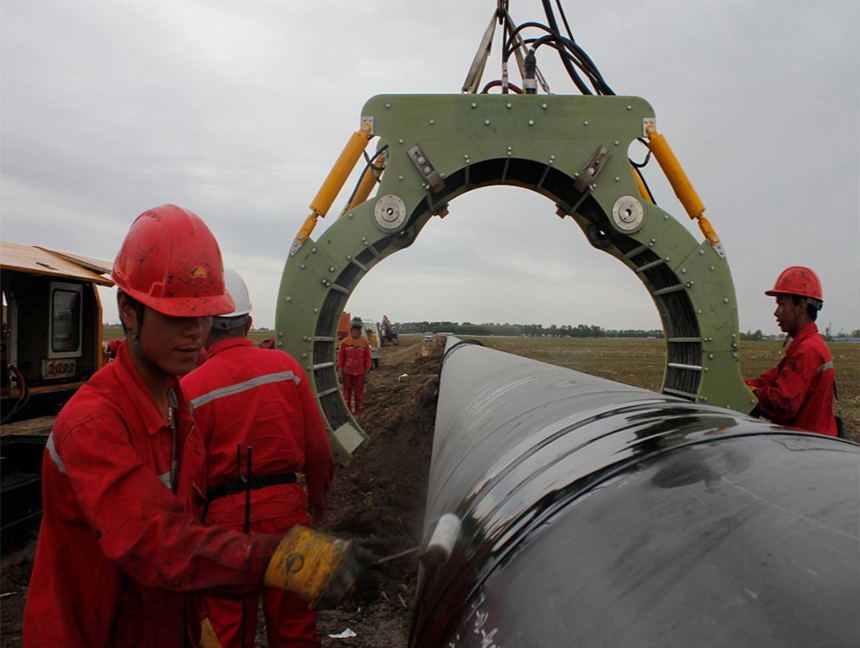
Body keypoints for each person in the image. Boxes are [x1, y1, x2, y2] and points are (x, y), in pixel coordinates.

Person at [23, 205, 358, 648]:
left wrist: (198, 623)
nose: (195, 332)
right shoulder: (93, 424)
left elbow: (186, 525)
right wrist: (286, 558)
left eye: (204, 315)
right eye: (177, 316)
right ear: (128, 310)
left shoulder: (178, 406)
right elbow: (157, 545)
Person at [181, 268, 333, 648]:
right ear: (248, 323)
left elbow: (187, 477)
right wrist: (316, 502)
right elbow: (318, 450)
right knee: (298, 628)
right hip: (289, 513)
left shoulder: (189, 389)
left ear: (205, 326)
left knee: (226, 632)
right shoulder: (288, 369)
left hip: (222, 526)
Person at [745, 266, 837, 436]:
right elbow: (769, 379)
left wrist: (751, 393)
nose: (776, 312)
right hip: (807, 441)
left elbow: (783, 404)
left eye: (781, 304)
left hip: (808, 445)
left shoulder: (808, 350)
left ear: (800, 306)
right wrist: (740, 386)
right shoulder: (804, 346)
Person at [336, 317, 371, 415]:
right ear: (351, 330)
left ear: (360, 331)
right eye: (354, 330)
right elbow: (341, 358)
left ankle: (358, 411)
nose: (356, 332)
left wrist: (367, 372)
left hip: (360, 373)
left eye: (358, 330)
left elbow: (368, 359)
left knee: (359, 394)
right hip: (347, 372)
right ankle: (347, 413)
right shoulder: (345, 342)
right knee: (346, 394)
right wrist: (340, 371)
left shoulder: (364, 343)